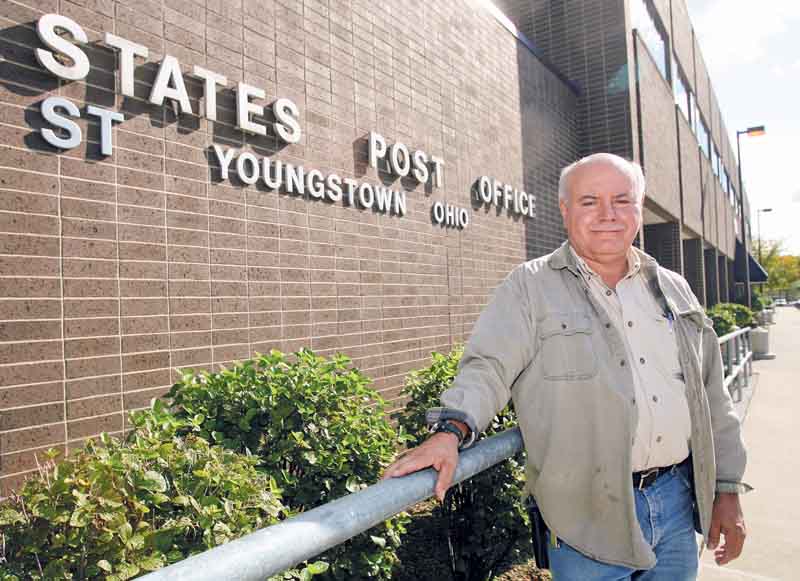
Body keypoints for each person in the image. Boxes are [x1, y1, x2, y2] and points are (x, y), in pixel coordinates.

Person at [382, 153, 750, 580]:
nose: (607, 215)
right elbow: (487, 368)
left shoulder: (675, 289)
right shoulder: (528, 287)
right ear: (564, 209)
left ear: (640, 205)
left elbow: (711, 397)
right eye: (589, 201)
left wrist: (727, 488)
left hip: (676, 502)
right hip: (583, 518)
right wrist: (450, 432)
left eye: (622, 200)